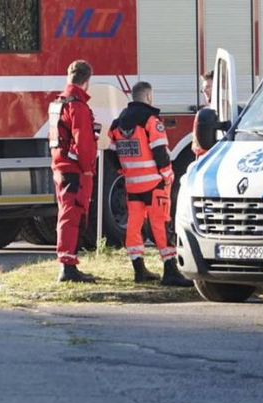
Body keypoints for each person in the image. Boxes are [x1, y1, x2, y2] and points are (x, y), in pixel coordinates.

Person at [110, 82, 194, 287]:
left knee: (134, 227)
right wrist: (167, 174)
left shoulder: (117, 123)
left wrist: (125, 171)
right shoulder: (150, 120)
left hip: (132, 185)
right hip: (154, 183)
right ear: (148, 97)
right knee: (161, 225)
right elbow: (159, 151)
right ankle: (170, 270)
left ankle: (139, 270)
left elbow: (112, 154)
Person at [49, 60, 98, 283]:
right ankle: (68, 266)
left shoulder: (58, 102)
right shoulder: (77, 105)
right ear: (87, 81)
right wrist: (88, 169)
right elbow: (84, 142)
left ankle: (68, 263)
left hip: (60, 166)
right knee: (72, 214)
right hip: (75, 170)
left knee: (66, 213)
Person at [191, 69, 215, 159]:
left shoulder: (230, 112)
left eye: (208, 87)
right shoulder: (203, 113)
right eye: (204, 88)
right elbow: (196, 147)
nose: (205, 91)